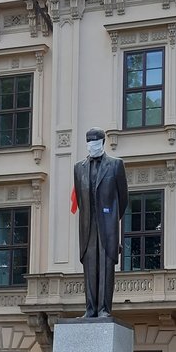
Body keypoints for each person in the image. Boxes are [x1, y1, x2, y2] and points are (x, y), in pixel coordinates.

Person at [72, 128, 128, 318]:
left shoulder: (115, 165)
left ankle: (104, 309)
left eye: (95, 142)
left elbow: (123, 199)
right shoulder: (78, 168)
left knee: (105, 266)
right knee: (90, 266)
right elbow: (80, 198)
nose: (91, 146)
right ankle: (90, 309)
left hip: (107, 224)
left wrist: (111, 218)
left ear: (103, 142)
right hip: (88, 224)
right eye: (89, 142)